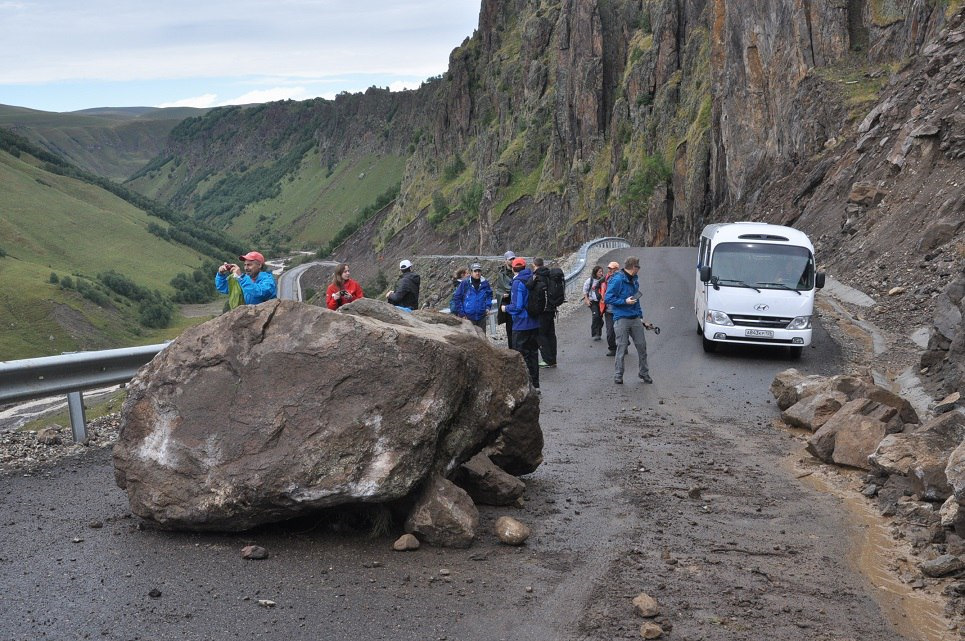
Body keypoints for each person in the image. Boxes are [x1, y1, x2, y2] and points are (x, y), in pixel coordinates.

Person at [604, 256, 652, 385]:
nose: (639, 269)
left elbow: (637, 300)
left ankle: (644, 373)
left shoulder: (635, 280)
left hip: (635, 317)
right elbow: (607, 298)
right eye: (638, 267)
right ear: (634, 267)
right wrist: (624, 301)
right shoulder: (617, 279)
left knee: (642, 346)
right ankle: (618, 375)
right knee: (621, 347)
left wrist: (641, 318)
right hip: (621, 318)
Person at [500, 257, 540, 391]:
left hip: (521, 324)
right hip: (534, 322)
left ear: (513, 268)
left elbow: (517, 306)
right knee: (533, 354)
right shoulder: (533, 278)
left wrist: (506, 308)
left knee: (521, 355)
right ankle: (536, 384)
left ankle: (524, 386)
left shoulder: (517, 282)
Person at [529, 257, 558, 368]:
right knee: (551, 334)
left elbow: (530, 288)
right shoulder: (550, 274)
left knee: (541, 334)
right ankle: (553, 359)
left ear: (534, 264)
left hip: (542, 310)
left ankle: (547, 360)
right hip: (551, 309)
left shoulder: (537, 276)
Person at [450, 263, 494, 333]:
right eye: (475, 271)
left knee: (482, 339)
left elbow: (489, 295)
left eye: (479, 271)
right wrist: (462, 314)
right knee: (471, 339)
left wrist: (488, 307)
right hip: (468, 317)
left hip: (481, 316)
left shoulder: (485, 283)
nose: (477, 273)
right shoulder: (465, 283)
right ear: (471, 272)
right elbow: (457, 297)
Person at [494, 250, 516, 347]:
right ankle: (512, 350)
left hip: (517, 303)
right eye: (510, 259)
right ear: (505, 261)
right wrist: (502, 295)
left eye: (513, 258)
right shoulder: (501, 274)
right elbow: (499, 289)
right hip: (508, 304)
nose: (512, 261)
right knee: (510, 329)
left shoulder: (518, 270)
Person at [600, 261, 620, 355]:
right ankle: (612, 348)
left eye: (612, 268)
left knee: (621, 330)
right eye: (609, 268)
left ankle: (623, 345)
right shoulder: (606, 278)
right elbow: (596, 286)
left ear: (617, 269)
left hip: (619, 310)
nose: (610, 270)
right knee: (610, 331)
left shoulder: (621, 279)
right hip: (608, 310)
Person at [582, 265, 605, 341]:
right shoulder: (590, 281)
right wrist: (587, 300)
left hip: (601, 301)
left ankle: (599, 333)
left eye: (602, 271)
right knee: (596, 316)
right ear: (595, 273)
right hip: (592, 301)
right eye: (599, 272)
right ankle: (595, 333)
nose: (601, 273)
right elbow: (585, 290)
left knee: (600, 317)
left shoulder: (603, 280)